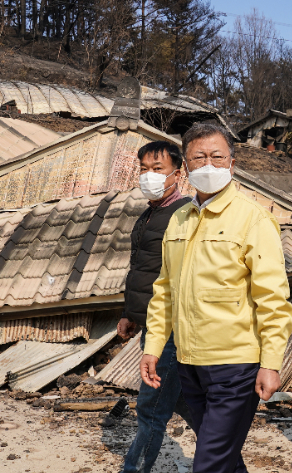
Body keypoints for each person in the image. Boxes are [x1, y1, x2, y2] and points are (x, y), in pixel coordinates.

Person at [139, 122, 292, 473]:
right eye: (199, 158)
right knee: (223, 456)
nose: (208, 165)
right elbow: (165, 291)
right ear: (186, 168)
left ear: (232, 164)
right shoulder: (179, 218)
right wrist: (152, 347)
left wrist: (271, 362)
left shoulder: (253, 219)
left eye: (216, 157)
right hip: (189, 361)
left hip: (235, 365)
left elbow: (273, 299)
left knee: (209, 463)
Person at [117, 141, 193, 473]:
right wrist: (130, 314)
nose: (149, 175)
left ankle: (133, 469)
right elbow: (143, 268)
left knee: (151, 408)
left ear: (177, 173)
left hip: (171, 327)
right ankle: (226, 453)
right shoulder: (151, 212)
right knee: (178, 400)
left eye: (157, 169)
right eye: (144, 169)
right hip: (151, 322)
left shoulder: (185, 215)